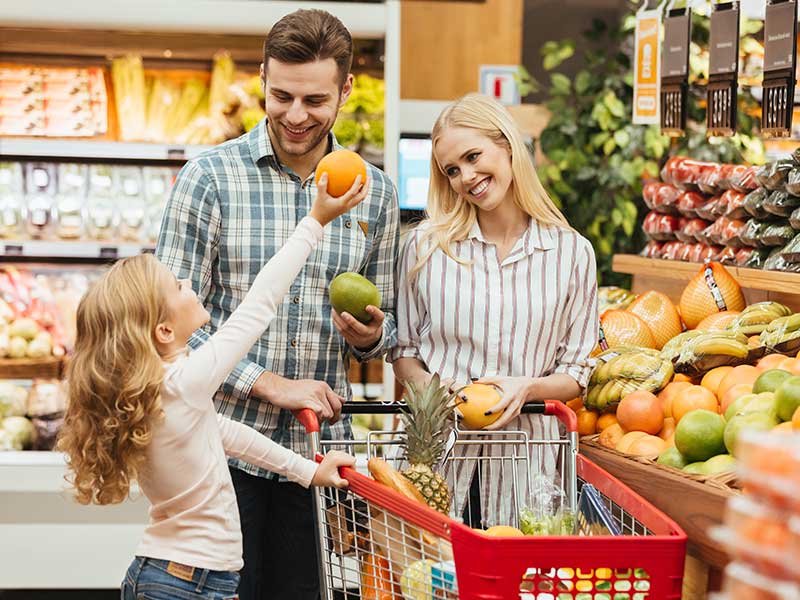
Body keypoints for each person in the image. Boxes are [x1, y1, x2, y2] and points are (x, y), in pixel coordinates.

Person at [155, 8, 399, 599]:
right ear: (262, 77)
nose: (295, 115)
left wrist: (369, 337)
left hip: (311, 458)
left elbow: (388, 324)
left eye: (314, 100)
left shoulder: (376, 192)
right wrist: (264, 380)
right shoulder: (209, 178)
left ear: (344, 90)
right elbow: (161, 328)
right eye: (280, 95)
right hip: (213, 453)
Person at [57, 173, 365, 599]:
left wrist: (309, 472)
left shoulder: (163, 391)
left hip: (175, 577)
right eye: (177, 286)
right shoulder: (182, 383)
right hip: (187, 584)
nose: (188, 284)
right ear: (164, 329)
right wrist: (315, 220)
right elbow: (259, 305)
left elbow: (228, 435)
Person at [389, 93, 597, 526]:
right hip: (438, 460)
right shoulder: (425, 249)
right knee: (427, 587)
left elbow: (578, 372)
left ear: (506, 144)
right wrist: (434, 390)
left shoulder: (572, 253)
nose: (466, 177)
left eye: (472, 156)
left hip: (528, 467)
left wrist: (526, 388)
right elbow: (404, 352)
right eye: (452, 170)